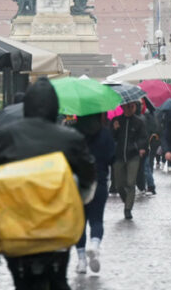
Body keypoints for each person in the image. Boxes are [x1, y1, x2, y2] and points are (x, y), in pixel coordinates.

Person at [0, 77, 95, 290]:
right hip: (56, 226)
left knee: (20, 279)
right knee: (59, 278)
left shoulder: (6, 136)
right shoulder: (70, 137)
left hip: (16, 224)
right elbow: (88, 177)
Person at [74, 113, 114, 275]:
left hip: (78, 182)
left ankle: (82, 260)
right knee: (97, 219)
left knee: (79, 223)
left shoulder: (72, 132)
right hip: (99, 180)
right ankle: (95, 245)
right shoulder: (105, 133)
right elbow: (112, 157)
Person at [110, 101, 147, 219]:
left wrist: (139, 147)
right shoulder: (116, 120)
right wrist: (115, 129)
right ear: (122, 107)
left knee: (131, 183)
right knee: (119, 184)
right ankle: (127, 201)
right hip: (119, 156)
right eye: (128, 106)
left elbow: (143, 137)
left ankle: (128, 209)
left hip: (133, 156)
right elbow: (111, 138)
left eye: (133, 106)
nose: (130, 108)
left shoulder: (139, 122)